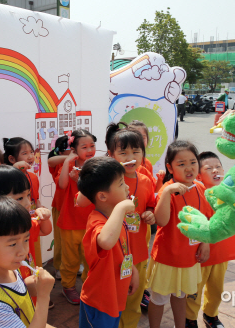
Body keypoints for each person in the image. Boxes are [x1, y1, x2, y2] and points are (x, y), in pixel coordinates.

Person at [147, 140, 213, 328]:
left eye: (193, 162)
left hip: (189, 257)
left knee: (181, 295)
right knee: (159, 298)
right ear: (170, 167)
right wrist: (167, 191)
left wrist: (205, 242)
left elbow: (206, 221)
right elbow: (161, 221)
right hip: (167, 257)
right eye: (181, 164)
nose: (189, 168)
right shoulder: (167, 190)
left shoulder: (200, 188)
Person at [0, 165, 53, 308]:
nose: (28, 203)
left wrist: (45, 217)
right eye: (20, 198)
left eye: (28, 195)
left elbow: (44, 230)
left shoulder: (23, 225)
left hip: (27, 298)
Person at [0, 196, 56, 328]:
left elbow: (15, 291)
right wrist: (43, 296)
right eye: (13, 244)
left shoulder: (7, 269)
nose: (22, 251)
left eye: (26, 240)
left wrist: (36, 285)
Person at [77, 156, 139, 327]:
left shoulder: (116, 218)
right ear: (102, 196)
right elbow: (105, 241)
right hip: (99, 302)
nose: (127, 187)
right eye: (120, 184)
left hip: (115, 295)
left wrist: (131, 268)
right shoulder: (97, 220)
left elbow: (121, 249)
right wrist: (121, 207)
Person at [104, 122, 155, 327]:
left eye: (136, 151)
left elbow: (150, 204)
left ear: (143, 154)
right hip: (114, 252)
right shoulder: (107, 180)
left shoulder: (145, 181)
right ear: (111, 155)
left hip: (139, 252)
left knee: (134, 297)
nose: (130, 157)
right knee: (113, 295)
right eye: (123, 152)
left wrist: (150, 214)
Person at [185, 151, 235, 328]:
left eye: (218, 166)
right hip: (199, 255)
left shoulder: (230, 191)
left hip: (221, 255)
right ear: (199, 175)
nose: (215, 170)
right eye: (209, 168)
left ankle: (211, 315)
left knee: (217, 290)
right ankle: (190, 318)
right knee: (194, 289)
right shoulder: (196, 194)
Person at [56, 129, 96, 304]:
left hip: (92, 222)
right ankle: (68, 287)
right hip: (70, 222)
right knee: (70, 259)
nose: (89, 150)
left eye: (92, 145)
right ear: (74, 149)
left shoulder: (97, 166)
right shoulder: (70, 166)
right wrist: (67, 163)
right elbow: (63, 184)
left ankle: (89, 287)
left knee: (90, 259)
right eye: (84, 146)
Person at [47, 135, 70, 280]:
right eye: (70, 149)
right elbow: (51, 160)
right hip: (62, 208)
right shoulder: (60, 164)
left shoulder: (84, 162)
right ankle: (60, 267)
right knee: (61, 241)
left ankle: (75, 264)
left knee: (79, 241)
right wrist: (69, 159)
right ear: (61, 152)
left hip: (80, 209)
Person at [128, 120, 165, 192]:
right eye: (135, 137)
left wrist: (160, 179)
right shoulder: (122, 162)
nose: (139, 141)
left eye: (143, 138)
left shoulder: (147, 163)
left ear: (147, 140)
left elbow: (154, 189)